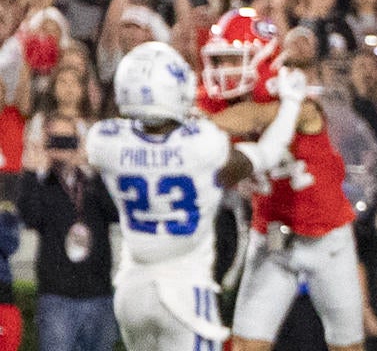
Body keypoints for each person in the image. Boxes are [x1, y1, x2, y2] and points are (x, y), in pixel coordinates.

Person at [86, 42, 308, 351]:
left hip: (132, 288)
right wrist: (292, 102)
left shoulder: (105, 142)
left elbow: (133, 136)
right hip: (183, 290)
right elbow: (268, 153)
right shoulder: (201, 146)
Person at [200, 12, 369, 351]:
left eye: (232, 58)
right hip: (272, 239)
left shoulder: (293, 95)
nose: (224, 68)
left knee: (346, 347)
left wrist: (199, 123)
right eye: (218, 59)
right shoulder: (216, 104)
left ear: (261, 56)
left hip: (326, 239)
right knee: (247, 345)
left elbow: (255, 115)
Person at [22, 113, 118, 351]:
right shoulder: (43, 183)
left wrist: (93, 169)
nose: (62, 147)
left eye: (69, 140)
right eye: (56, 140)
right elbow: (31, 218)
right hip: (57, 297)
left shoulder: (93, 181)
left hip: (99, 295)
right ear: (46, 141)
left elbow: (116, 212)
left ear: (79, 141)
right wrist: (32, 173)